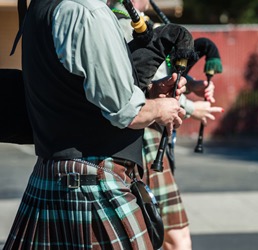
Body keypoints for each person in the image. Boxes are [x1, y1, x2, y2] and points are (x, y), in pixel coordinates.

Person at [3, 0, 188, 249]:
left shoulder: (39, 7)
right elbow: (126, 112)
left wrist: (150, 92)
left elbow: (76, 92)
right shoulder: (87, 10)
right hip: (94, 184)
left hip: (49, 178)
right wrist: (161, 108)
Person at [109, 1, 223, 249]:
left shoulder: (130, 21)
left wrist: (192, 84)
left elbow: (164, 69)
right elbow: (144, 83)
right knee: (175, 237)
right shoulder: (122, 23)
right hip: (146, 137)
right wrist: (193, 109)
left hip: (147, 134)